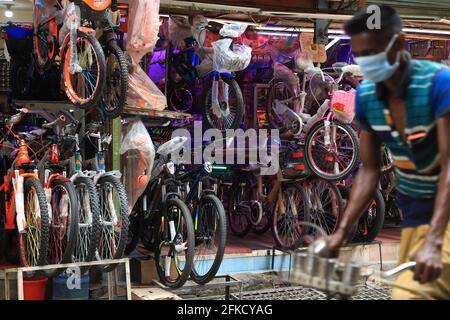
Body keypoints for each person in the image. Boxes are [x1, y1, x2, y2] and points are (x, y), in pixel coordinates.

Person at [327, 5, 450, 299]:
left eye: (375, 51)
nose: (369, 61)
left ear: (400, 44)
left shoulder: (438, 83)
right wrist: (341, 232)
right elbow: (369, 169)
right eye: (362, 54)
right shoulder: (369, 97)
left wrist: (434, 241)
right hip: (416, 219)